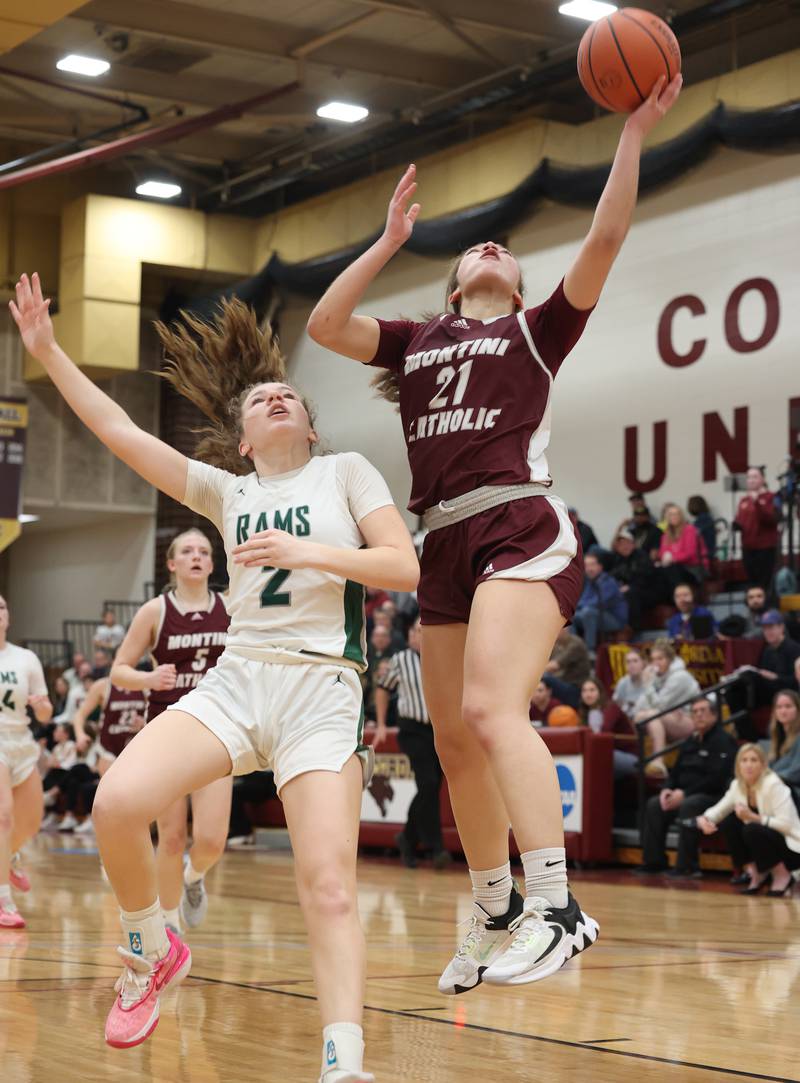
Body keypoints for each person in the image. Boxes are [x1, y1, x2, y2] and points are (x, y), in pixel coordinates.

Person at [308, 73, 681, 994]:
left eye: (507, 250)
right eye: (480, 246)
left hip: (520, 521)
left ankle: (557, 905)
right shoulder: (419, 338)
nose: (493, 248)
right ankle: (494, 904)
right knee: (453, 742)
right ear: (451, 281)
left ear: (515, 280)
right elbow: (322, 324)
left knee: (487, 710)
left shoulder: (539, 331)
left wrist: (632, 133)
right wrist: (388, 240)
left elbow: (605, 234)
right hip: (443, 544)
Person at [11, 273, 418, 1082]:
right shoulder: (228, 491)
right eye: (260, 397)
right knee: (117, 803)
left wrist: (309, 551)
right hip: (238, 682)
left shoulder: (346, 474)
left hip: (321, 690)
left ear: (307, 423)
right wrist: (51, 353)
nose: (275, 397)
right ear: (240, 440)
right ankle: (147, 953)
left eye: (287, 394)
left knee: (328, 882)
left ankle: (344, 1063)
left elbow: (404, 566)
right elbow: (121, 430)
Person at [111, 529, 231, 935]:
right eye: (187, 551)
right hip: (169, 728)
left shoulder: (231, 607)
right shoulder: (155, 611)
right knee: (173, 836)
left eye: (204, 551)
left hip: (218, 728)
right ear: (172, 564)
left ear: (212, 564)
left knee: (212, 840)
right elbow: (118, 670)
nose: (196, 556)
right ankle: (167, 924)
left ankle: (194, 878)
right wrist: (148, 678)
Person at [374, 619, 448, 869]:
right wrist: (382, 724)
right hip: (412, 729)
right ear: (409, 636)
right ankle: (436, 848)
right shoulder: (400, 659)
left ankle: (408, 838)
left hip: (438, 730)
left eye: (425, 629)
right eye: (417, 631)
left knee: (432, 788)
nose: (421, 634)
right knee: (427, 783)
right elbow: (383, 689)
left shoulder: (443, 656)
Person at [637, 696, 736, 877]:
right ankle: (653, 862)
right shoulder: (690, 741)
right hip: (683, 794)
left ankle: (687, 866)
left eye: (703, 711)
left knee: (690, 805)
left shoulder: (723, 741)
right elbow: (675, 771)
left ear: (714, 715)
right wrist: (667, 789)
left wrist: (684, 794)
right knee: (654, 805)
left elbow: (717, 778)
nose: (698, 715)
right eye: (695, 712)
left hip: (711, 796)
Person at [0, 594, 53, 927]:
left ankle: (7, 858)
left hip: (21, 741)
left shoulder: (26, 658)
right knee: (3, 816)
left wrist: (39, 705)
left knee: (31, 821)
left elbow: (46, 713)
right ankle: (4, 899)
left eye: (2, 607)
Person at [698, 743, 800, 895]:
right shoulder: (737, 785)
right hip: (764, 843)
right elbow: (719, 810)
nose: (748, 765)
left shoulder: (773, 784)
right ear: (738, 765)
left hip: (791, 846)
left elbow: (787, 825)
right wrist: (705, 819)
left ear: (763, 764)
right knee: (729, 823)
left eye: (754, 760)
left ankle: (782, 874)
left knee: (751, 827)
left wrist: (755, 818)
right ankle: (755, 872)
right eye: (744, 760)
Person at [69, 675, 147, 833]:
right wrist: (80, 735)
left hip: (134, 747)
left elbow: (157, 714)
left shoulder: (144, 683)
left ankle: (132, 833)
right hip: (108, 748)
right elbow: (80, 715)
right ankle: (107, 832)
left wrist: (145, 722)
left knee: (133, 797)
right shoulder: (103, 685)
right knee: (111, 797)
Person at [726, 611, 800, 738]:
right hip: (768, 689)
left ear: (781, 627)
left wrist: (776, 677)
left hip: (787, 689)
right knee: (734, 690)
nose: (768, 632)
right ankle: (747, 735)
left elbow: (795, 680)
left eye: (771, 627)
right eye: (765, 628)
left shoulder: (794, 648)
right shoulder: (767, 650)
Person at [633, 639, 701, 777]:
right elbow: (639, 707)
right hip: (670, 718)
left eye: (660, 659)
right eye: (653, 660)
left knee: (651, 714)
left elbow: (660, 706)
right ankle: (652, 763)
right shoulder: (657, 677)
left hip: (691, 721)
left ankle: (658, 761)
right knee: (644, 716)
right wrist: (649, 686)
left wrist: (648, 686)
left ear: (670, 659)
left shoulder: (680, 677)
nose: (656, 663)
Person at [608, 527, 663, 632]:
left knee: (630, 593)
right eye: (620, 544)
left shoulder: (641, 556)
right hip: (629, 590)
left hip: (649, 591)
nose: (624, 546)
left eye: (627, 543)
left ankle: (634, 628)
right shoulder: (617, 559)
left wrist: (629, 586)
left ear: (633, 544)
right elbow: (613, 576)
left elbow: (646, 578)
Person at [734, 467, 779, 591]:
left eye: (755, 477)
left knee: (764, 583)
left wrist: (757, 502)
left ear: (762, 479)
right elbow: (741, 520)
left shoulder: (771, 497)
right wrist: (737, 525)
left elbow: (771, 519)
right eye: (749, 477)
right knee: (752, 582)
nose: (751, 480)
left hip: (765, 547)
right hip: (748, 547)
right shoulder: (743, 500)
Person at [573, 552, 629, 650]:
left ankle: (589, 650)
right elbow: (583, 600)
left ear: (600, 567)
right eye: (586, 565)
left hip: (615, 619)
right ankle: (574, 649)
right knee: (569, 616)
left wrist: (580, 606)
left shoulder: (608, 581)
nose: (589, 568)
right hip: (595, 615)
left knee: (588, 612)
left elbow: (598, 602)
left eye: (592, 565)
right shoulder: (590, 581)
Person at [656, 504, 708, 589]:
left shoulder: (690, 529)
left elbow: (689, 553)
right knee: (658, 571)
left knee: (672, 570)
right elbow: (663, 553)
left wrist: (672, 558)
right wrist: (665, 559)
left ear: (681, 516)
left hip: (694, 567)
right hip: (675, 567)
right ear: (667, 518)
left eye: (677, 514)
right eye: (671, 514)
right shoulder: (666, 535)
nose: (674, 517)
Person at [767, 690, 800, 790]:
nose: (783, 711)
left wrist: (770, 779)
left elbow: (796, 772)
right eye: (779, 707)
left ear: (798, 710)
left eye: (788, 706)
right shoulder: (776, 736)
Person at [612, 647, 652, 720]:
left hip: (648, 719)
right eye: (628, 662)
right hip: (628, 721)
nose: (631, 665)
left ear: (643, 662)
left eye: (635, 661)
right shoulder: (623, 682)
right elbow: (615, 705)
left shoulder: (652, 680)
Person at [687, 495, 716, 561]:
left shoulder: (703, 520)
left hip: (704, 554)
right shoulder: (707, 518)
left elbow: (694, 535)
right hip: (709, 551)